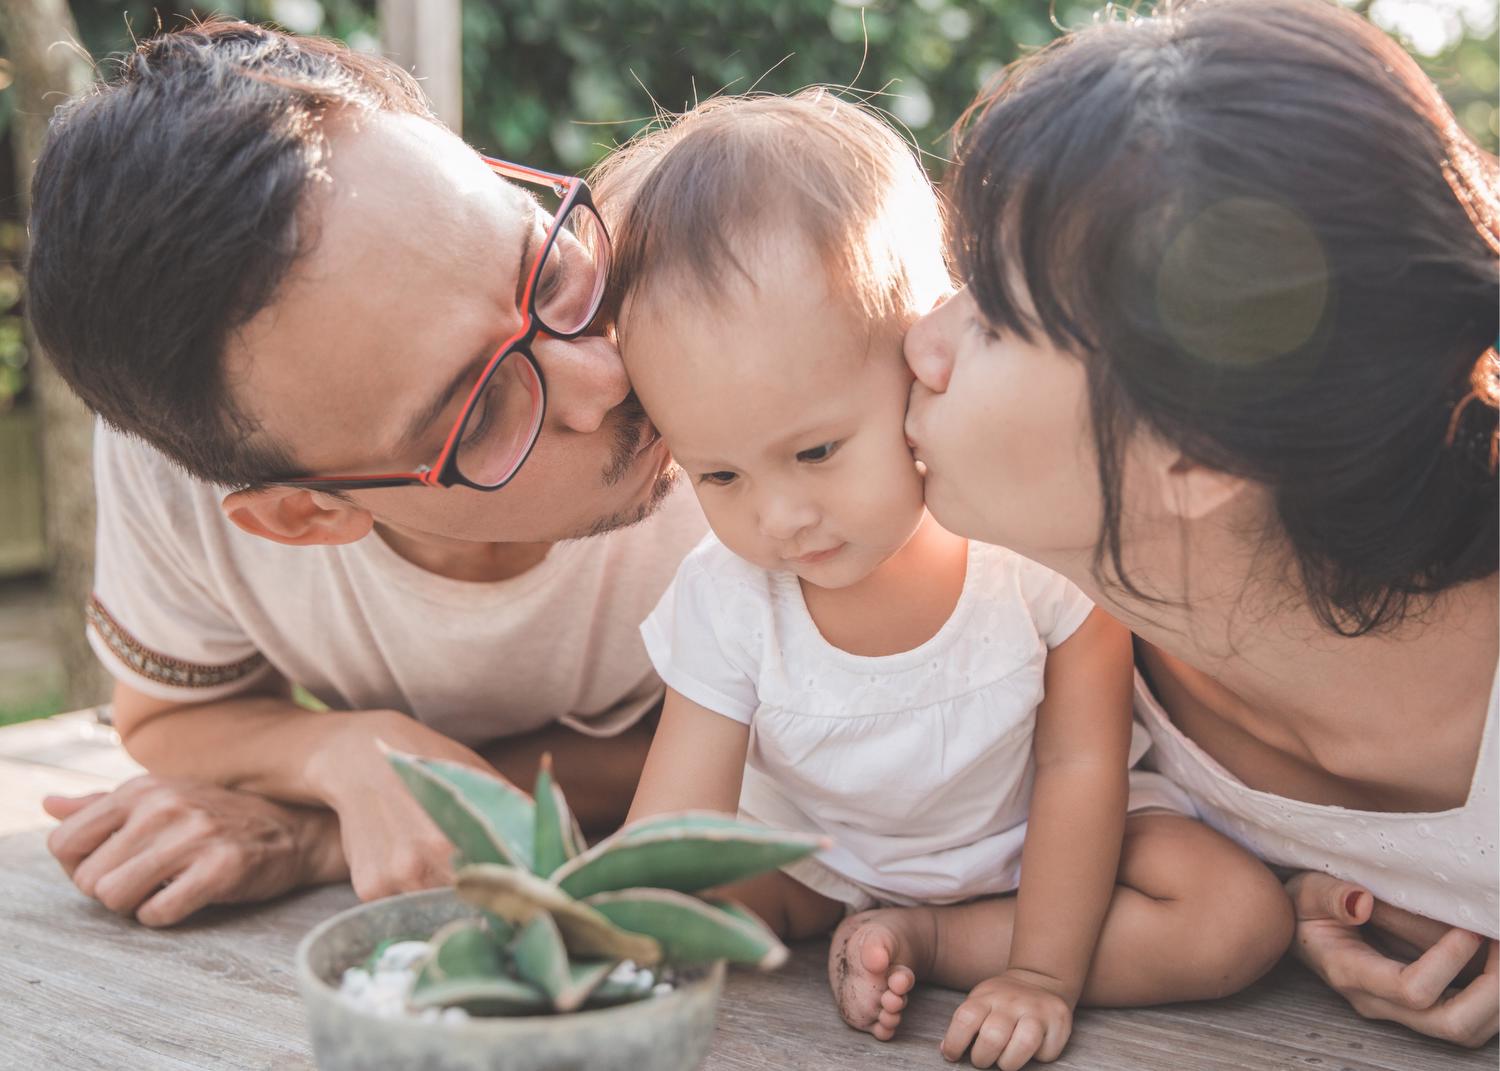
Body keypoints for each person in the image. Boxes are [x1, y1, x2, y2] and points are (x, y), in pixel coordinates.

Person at [598, 90, 1293, 1069]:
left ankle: (941, 944)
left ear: (919, 364)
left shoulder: (1033, 554)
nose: (779, 515)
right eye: (720, 475)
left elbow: (1077, 770)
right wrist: (609, 950)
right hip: (823, 864)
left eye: (818, 451)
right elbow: (677, 828)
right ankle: (864, 923)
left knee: (1233, 920)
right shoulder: (727, 597)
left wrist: (1043, 972)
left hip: (1039, 849)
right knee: (647, 896)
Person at [902, 0, 1499, 1047]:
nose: (921, 340)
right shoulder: (1048, 624)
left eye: (989, 314)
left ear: (1199, 451)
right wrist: (1315, 890)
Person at [25, 19, 705, 927]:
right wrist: (349, 757)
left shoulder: (727, 332)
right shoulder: (183, 473)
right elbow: (166, 720)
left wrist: (320, 830)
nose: (609, 376)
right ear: (305, 515)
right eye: (484, 407)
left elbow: (801, 742)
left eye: (542, 266)